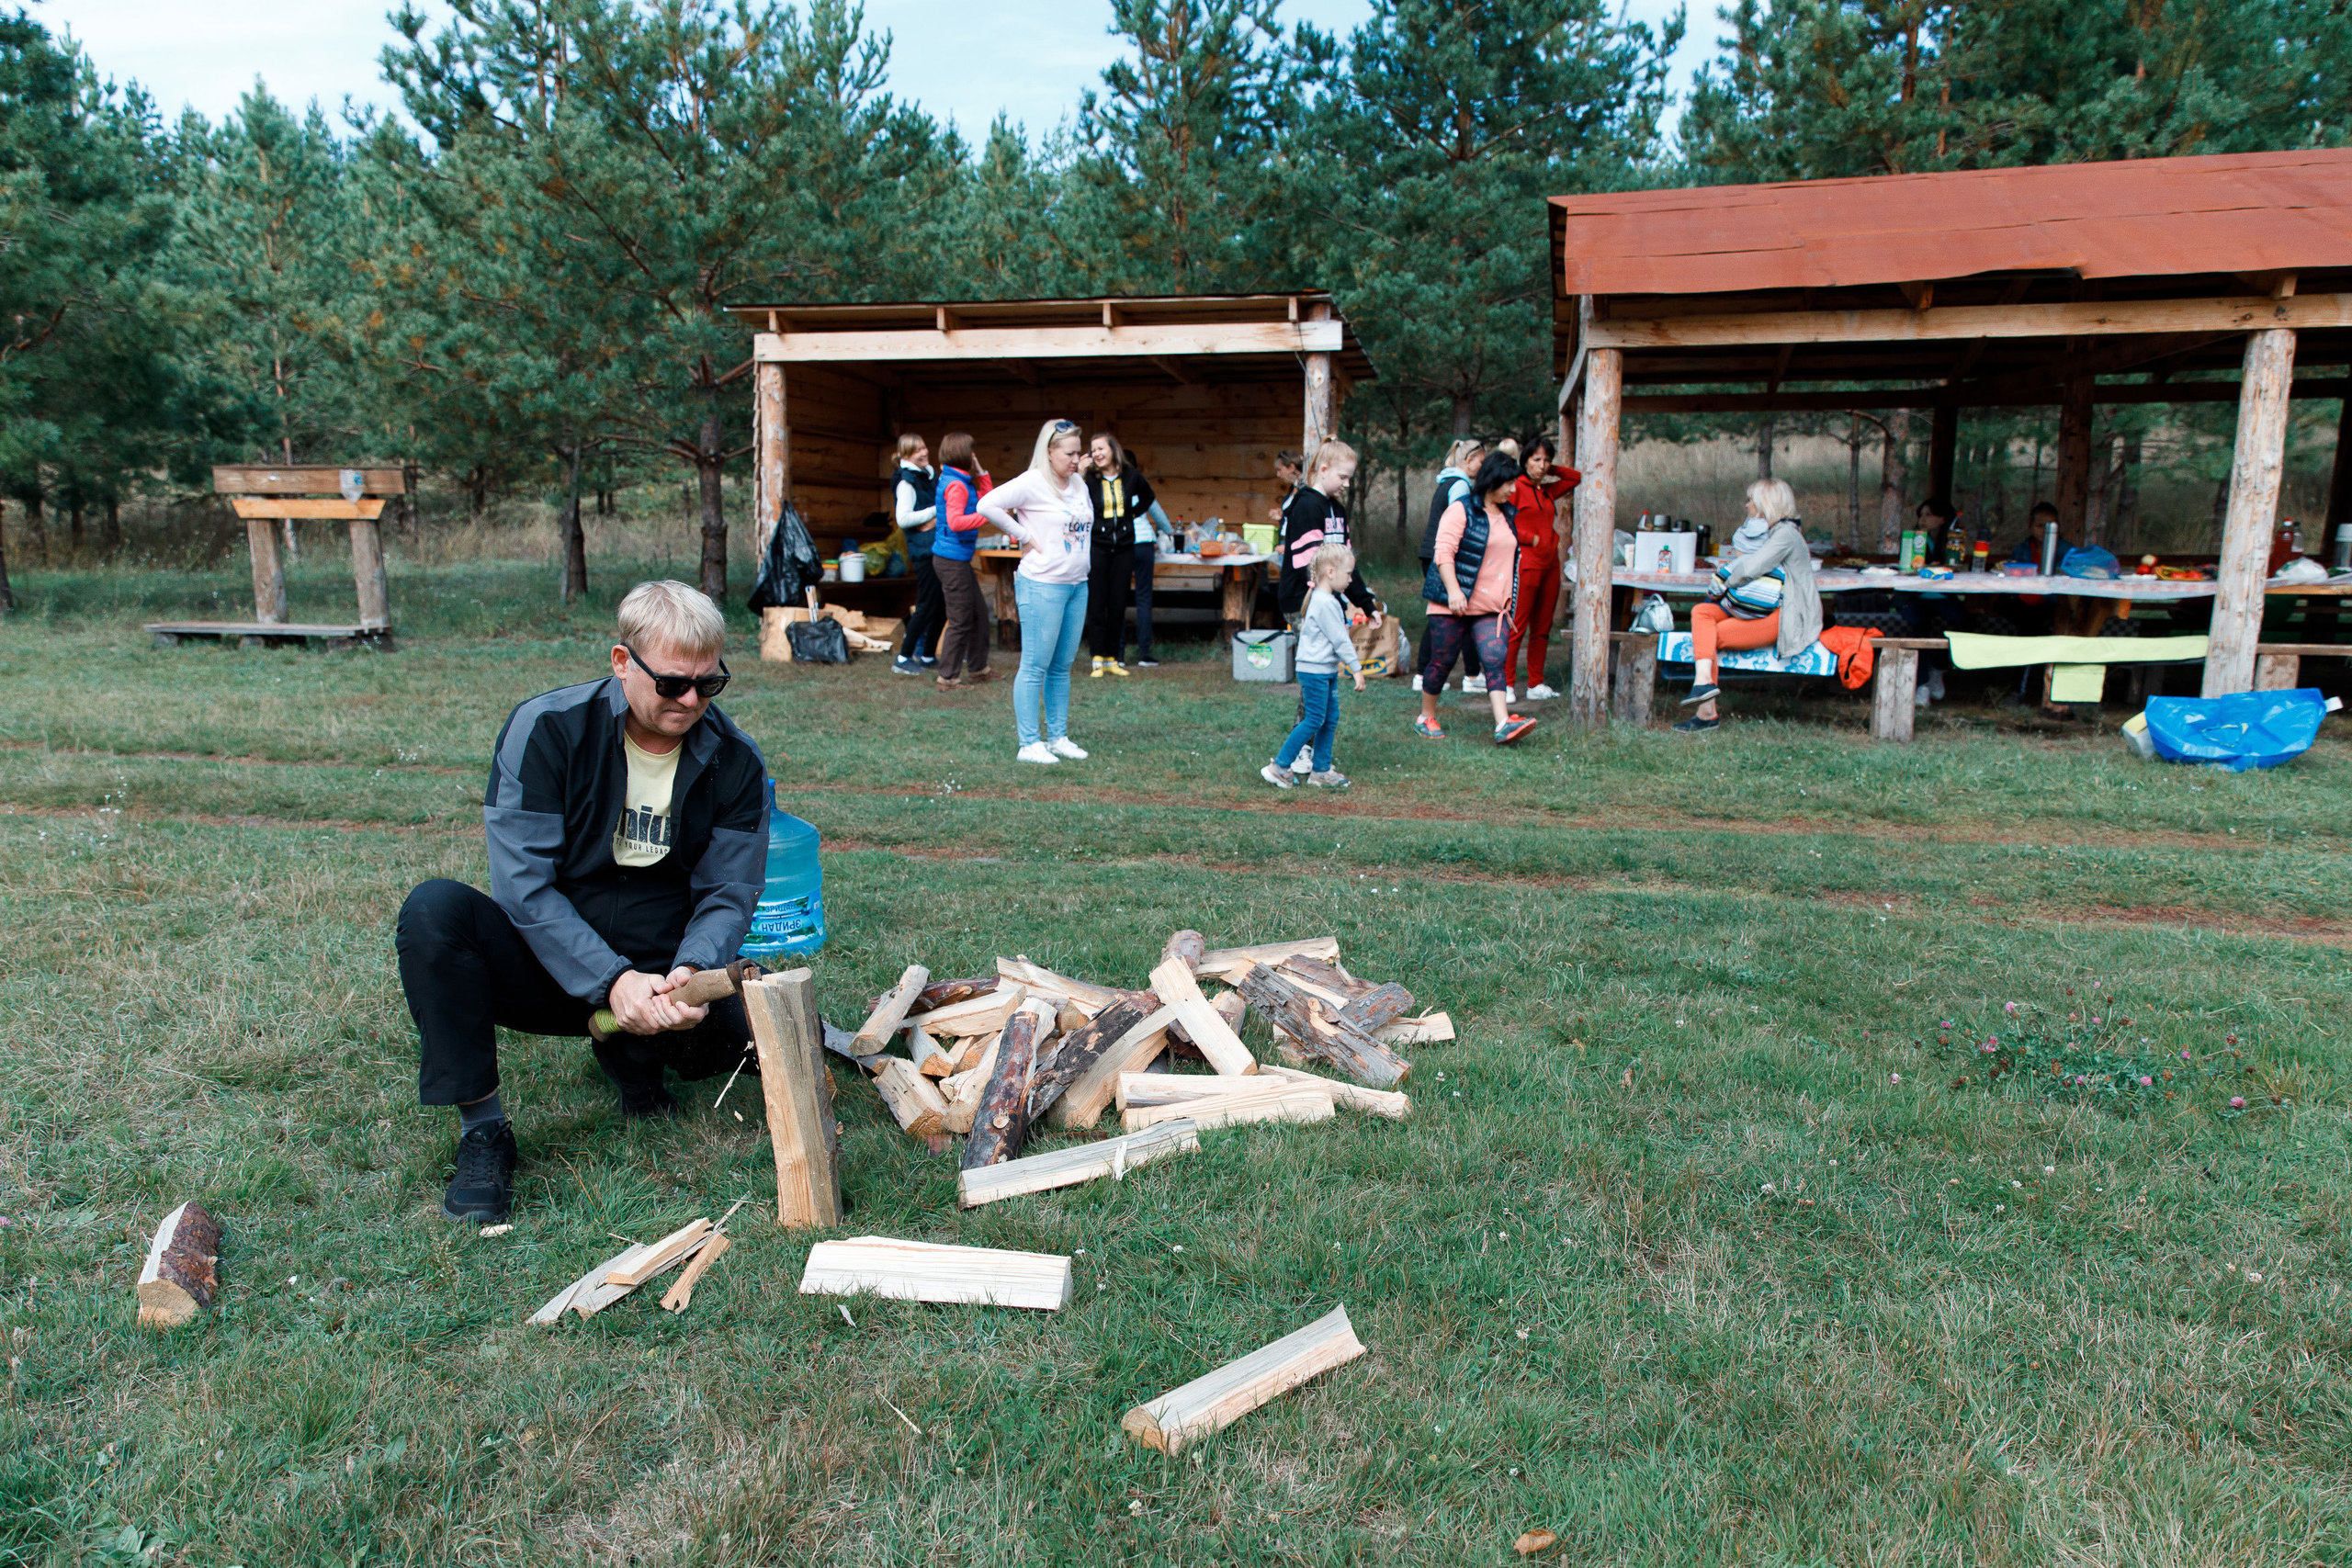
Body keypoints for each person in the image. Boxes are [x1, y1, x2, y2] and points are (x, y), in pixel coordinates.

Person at [394, 581, 767, 1224]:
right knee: (435, 913)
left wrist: (692, 970)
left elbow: (728, 892)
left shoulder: (736, 761)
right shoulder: (546, 729)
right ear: (623, 662)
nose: (691, 702)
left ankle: (635, 1057)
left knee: (735, 1049)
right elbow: (523, 886)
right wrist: (608, 978)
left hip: (662, 967)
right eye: (674, 683)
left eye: (709, 685)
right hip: (551, 962)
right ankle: (483, 1132)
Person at [978, 419, 1095, 764]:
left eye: (1078, 452)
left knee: (1063, 665)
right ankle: (1029, 742)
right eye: (1070, 453)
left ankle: (1058, 737)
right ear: (1049, 451)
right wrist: (1024, 537)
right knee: (1035, 665)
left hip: (1077, 584)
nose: (1077, 460)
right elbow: (987, 504)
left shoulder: (1077, 483)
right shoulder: (1032, 482)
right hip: (1042, 584)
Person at [1676, 477, 1822, 734]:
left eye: (1750, 499)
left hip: (1785, 616)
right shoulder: (1773, 531)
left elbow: (1752, 568)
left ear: (1765, 503)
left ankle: (1706, 712)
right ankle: (1703, 686)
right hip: (1762, 610)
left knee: (1711, 636)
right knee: (1701, 612)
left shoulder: (1786, 534)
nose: (1746, 505)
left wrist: (1722, 581)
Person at [1418, 452, 1536, 746]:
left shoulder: (1508, 514)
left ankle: (1502, 723)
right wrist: (1454, 590)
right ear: (1492, 481)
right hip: (1452, 602)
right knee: (1442, 661)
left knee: (1495, 660)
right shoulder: (1461, 510)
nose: (1513, 489)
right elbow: (1443, 552)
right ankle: (1425, 716)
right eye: (1508, 483)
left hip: (1490, 607)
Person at [1263, 541, 1367, 790]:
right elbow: (1340, 639)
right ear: (1331, 572)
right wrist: (1357, 669)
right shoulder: (1325, 603)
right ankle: (1279, 766)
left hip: (1324, 669)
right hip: (1314, 671)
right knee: (1314, 720)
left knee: (1329, 718)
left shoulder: (1326, 600)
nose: (1351, 580)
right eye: (1349, 573)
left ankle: (1321, 770)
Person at [1501, 435, 1579, 702]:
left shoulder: (1545, 490)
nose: (1543, 465)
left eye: (1547, 460)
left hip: (1550, 565)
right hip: (1527, 563)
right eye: (1537, 460)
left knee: (1543, 627)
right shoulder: (1516, 488)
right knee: (1517, 625)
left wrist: (1552, 468)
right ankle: (1507, 684)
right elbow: (1504, 521)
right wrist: (1529, 538)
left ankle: (1535, 683)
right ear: (1524, 461)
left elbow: (1574, 478)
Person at [1277, 440, 1381, 623]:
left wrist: (1366, 604)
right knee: (1318, 652)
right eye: (1342, 477)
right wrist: (1329, 600)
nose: (1347, 484)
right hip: (1304, 601)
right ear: (1323, 470)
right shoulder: (1306, 506)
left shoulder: (1338, 509)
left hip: (1328, 600)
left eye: (1349, 478)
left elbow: (1347, 563)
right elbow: (1309, 564)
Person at [1082, 433, 1158, 679]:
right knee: (1097, 604)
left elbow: (1148, 498)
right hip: (1098, 547)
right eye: (1093, 450)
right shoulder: (1089, 480)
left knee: (1117, 604)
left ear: (1113, 449)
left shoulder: (1132, 476)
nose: (1096, 454)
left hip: (1125, 547)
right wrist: (1080, 474)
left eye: (1100, 448)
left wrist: (1130, 517)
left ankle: (1113, 658)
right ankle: (1097, 659)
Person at [1417, 438, 1485, 693]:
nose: (1482, 466)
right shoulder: (1460, 487)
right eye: (1480, 461)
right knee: (1443, 613)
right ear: (1468, 461)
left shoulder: (1448, 481)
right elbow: (1458, 523)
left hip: (1431, 553)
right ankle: (1429, 673)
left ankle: (1434, 672)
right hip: (1443, 555)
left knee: (1443, 612)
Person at [931, 432, 995, 690]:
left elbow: (988, 500)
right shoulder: (956, 485)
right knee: (960, 620)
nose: (974, 455)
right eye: (972, 451)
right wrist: (987, 516)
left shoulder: (958, 479)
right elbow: (957, 523)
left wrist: (981, 473)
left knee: (979, 614)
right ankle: (947, 677)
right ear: (963, 454)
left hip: (956, 559)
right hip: (951, 560)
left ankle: (979, 669)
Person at [891, 434, 943, 675]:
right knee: (925, 605)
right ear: (905, 456)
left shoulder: (927, 475)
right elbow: (904, 518)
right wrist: (935, 511)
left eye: (923, 447)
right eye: (916, 451)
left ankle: (928, 655)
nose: (923, 453)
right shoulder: (907, 481)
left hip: (934, 546)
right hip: (923, 551)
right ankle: (903, 657)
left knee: (941, 605)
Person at [1131, 492, 1174, 667]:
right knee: (1144, 597)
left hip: (1121, 542)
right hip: (1144, 542)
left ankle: (1117, 654)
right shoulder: (1139, 487)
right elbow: (1160, 517)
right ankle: (1145, 653)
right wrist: (1169, 532)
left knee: (1116, 598)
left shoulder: (1109, 485)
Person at [1268, 450, 1303, 525]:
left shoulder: (1305, 490)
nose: (1278, 474)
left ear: (1292, 467)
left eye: (1280, 470)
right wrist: (1281, 517)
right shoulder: (1292, 489)